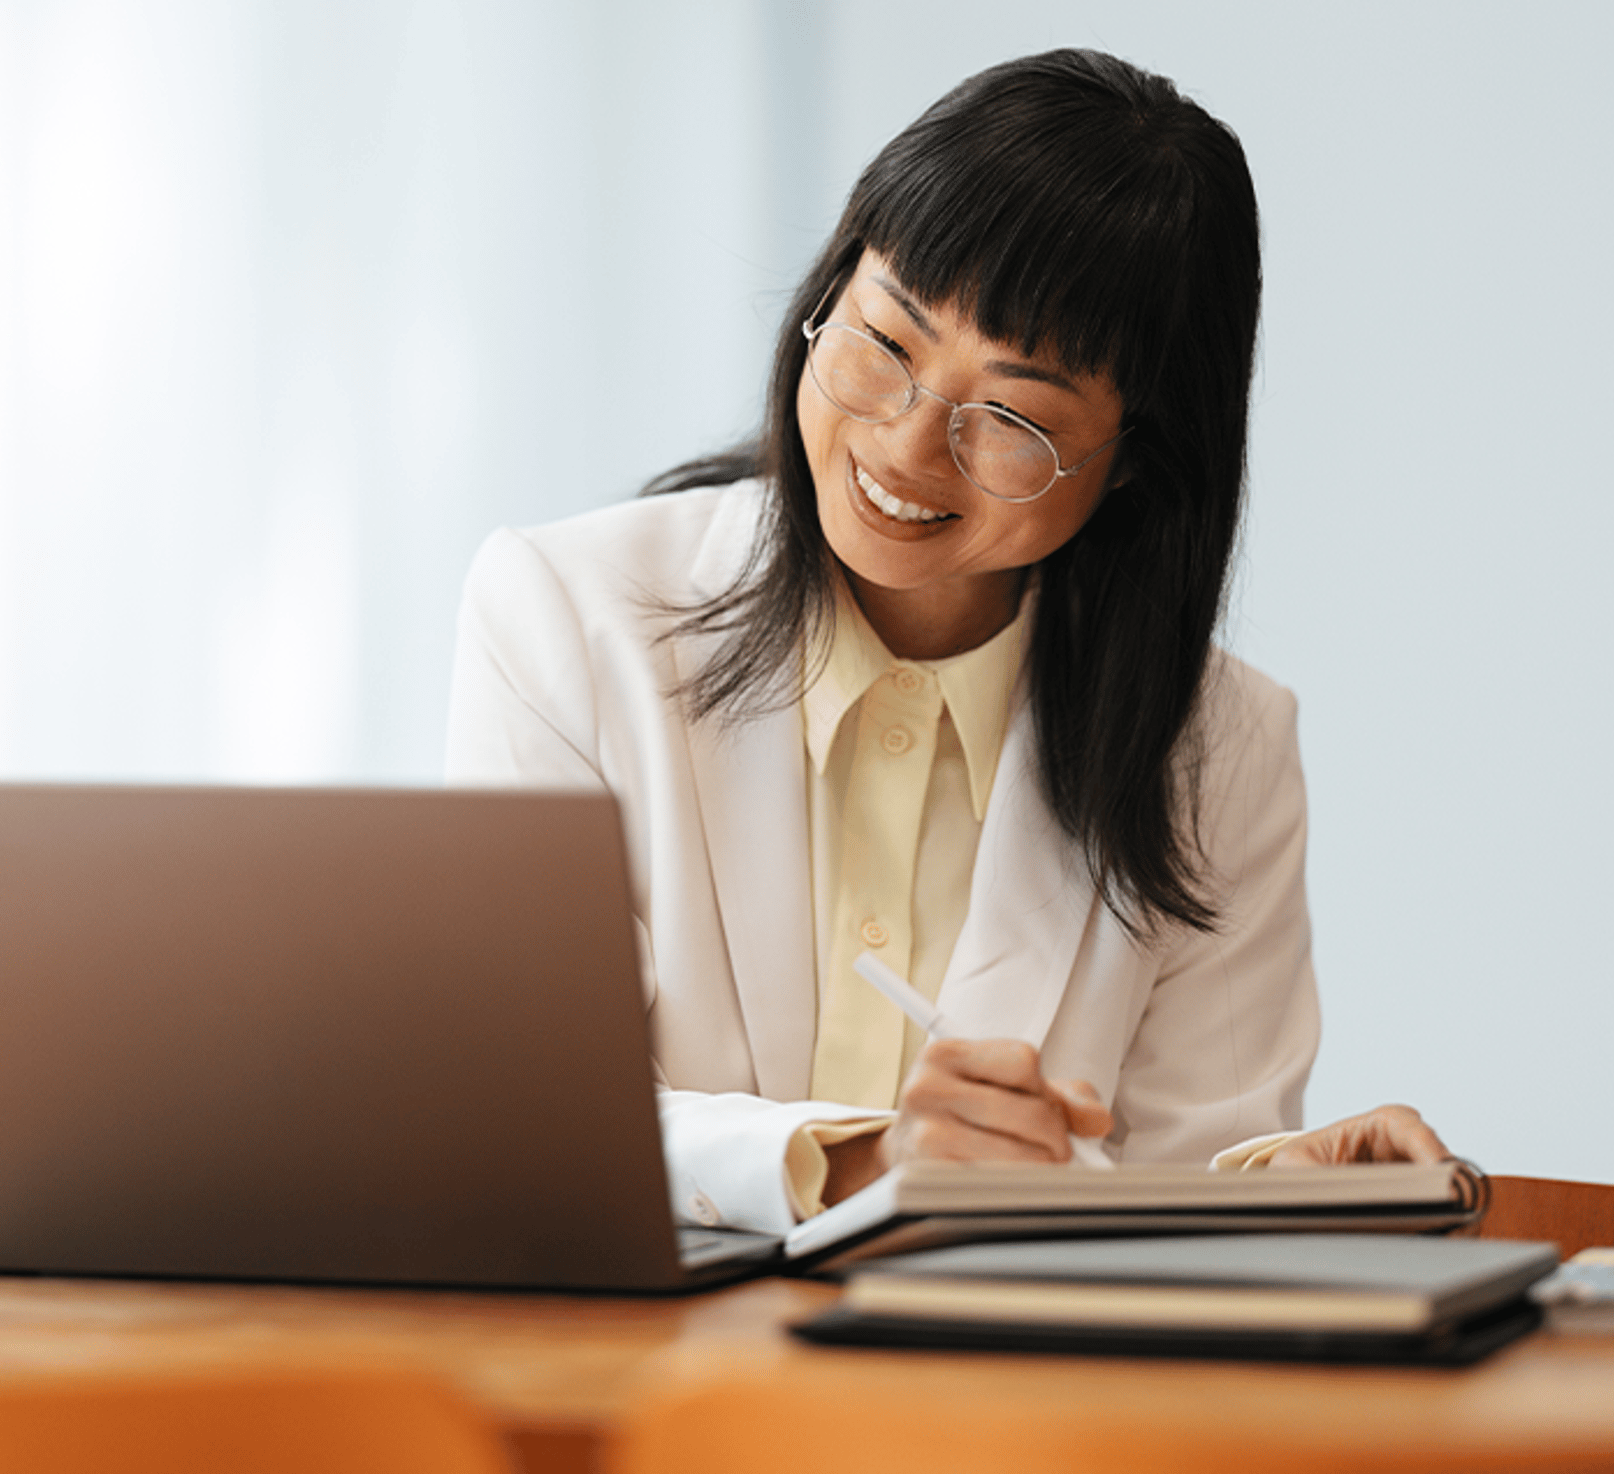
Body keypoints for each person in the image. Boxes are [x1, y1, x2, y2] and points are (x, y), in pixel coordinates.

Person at [445, 48, 1448, 1236]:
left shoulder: (1219, 749)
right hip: (648, 1351)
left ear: (1134, 461)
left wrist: (1274, 1195)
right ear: (827, 295)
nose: (909, 447)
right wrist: (864, 1162)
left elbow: (1173, 1188)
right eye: (884, 343)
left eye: (1011, 414)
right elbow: (519, 1112)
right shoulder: (563, 615)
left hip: (999, 1360)